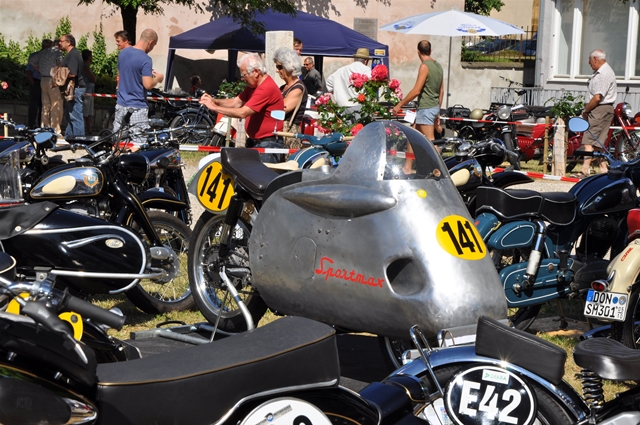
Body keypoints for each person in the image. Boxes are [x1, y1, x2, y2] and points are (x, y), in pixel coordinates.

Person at [199, 53, 284, 163]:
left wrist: (214, 107)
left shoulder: (265, 88)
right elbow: (236, 102)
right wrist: (215, 101)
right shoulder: (253, 86)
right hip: (258, 142)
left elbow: (243, 112)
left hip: (269, 145)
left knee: (259, 174)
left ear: (256, 72)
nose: (242, 79)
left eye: (244, 75)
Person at [112, 29, 164, 141]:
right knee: (138, 144)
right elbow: (148, 85)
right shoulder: (146, 59)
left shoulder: (123, 53)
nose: (152, 48)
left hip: (121, 105)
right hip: (137, 107)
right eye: (154, 45)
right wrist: (158, 78)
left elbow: (120, 76)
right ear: (150, 42)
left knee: (118, 142)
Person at [392, 40, 444, 142]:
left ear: (418, 52)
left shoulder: (424, 66)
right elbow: (441, 91)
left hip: (426, 109)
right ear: (430, 51)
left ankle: (437, 154)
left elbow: (416, 91)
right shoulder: (438, 66)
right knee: (413, 139)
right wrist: (437, 110)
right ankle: (410, 154)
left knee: (430, 142)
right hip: (433, 107)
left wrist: (399, 105)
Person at [578, 49, 617, 178]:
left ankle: (584, 170)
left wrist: (586, 110)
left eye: (590, 61)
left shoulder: (603, 74)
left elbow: (597, 97)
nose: (589, 63)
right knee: (598, 143)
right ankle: (604, 170)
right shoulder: (603, 71)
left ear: (595, 59)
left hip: (599, 109)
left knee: (588, 141)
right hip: (604, 109)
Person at [274, 47, 308, 153]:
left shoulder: (298, 88)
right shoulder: (283, 87)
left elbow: (281, 110)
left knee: (288, 162)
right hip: (280, 133)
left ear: (290, 66)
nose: (277, 70)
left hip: (289, 134)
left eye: (279, 67)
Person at [30, 39, 63, 134]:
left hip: (43, 79)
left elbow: (31, 61)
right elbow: (60, 64)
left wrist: (40, 70)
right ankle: (55, 130)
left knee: (45, 105)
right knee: (56, 104)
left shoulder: (43, 52)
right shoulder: (57, 52)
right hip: (52, 79)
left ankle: (44, 127)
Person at [59, 34, 86, 137]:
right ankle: (70, 139)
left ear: (69, 42)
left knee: (76, 117)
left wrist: (60, 76)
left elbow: (73, 73)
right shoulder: (71, 54)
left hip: (75, 89)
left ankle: (79, 140)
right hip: (72, 89)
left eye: (61, 41)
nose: (60, 43)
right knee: (70, 116)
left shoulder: (73, 54)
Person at [26, 41, 45, 128]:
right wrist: (32, 82)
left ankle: (41, 124)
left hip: (44, 82)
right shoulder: (34, 56)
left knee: (43, 104)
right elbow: (29, 70)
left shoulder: (49, 57)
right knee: (33, 105)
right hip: (36, 81)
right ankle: (31, 124)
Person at [82, 50, 97, 134]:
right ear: (88, 57)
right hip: (86, 92)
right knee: (86, 112)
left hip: (90, 92)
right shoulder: (85, 67)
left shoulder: (87, 67)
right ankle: (87, 129)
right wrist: (94, 78)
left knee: (90, 112)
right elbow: (92, 78)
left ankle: (89, 129)